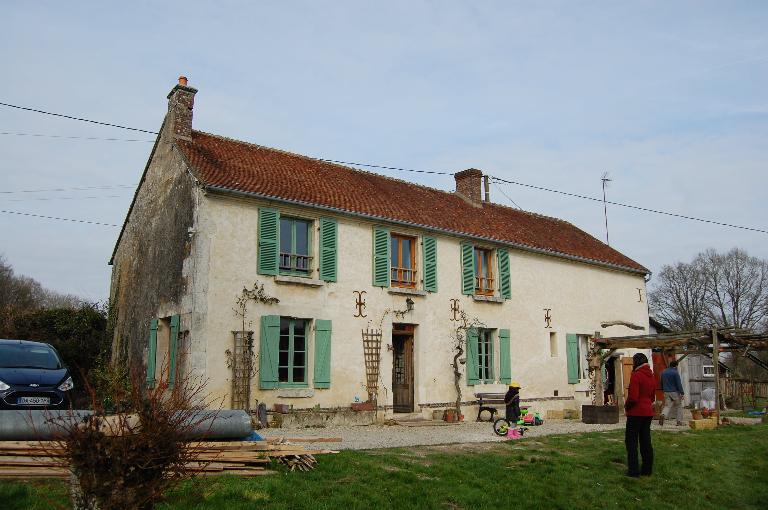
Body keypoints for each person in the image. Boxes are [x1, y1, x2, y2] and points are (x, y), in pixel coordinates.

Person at [624, 353, 655, 477]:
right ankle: (647, 470)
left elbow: (633, 397)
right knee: (646, 441)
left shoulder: (636, 375)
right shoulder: (651, 375)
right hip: (647, 412)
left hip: (636, 412)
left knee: (631, 442)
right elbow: (652, 396)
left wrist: (627, 407)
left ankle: (633, 471)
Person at [660, 360, 685, 426]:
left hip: (666, 391)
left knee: (667, 406)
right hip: (674, 392)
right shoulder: (675, 372)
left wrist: (663, 390)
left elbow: (661, 382)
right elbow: (678, 384)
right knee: (679, 406)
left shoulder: (664, 371)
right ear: (676, 366)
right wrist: (682, 393)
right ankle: (679, 422)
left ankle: (663, 414)